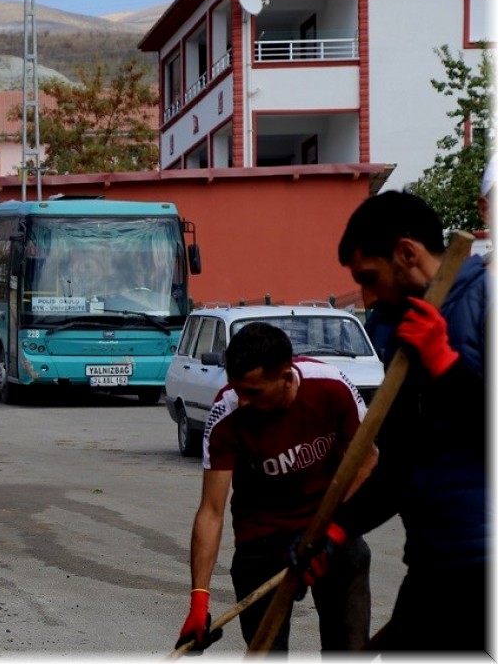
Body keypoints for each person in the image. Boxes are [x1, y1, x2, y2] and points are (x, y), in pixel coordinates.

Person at [297, 190, 488, 651]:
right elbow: (402, 458)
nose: (366, 296)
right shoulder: (402, 330)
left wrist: (444, 361)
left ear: (407, 253)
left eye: (370, 278)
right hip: (434, 562)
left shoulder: (485, 300)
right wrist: (336, 529)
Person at [177, 322, 376, 653]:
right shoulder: (225, 413)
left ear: (286, 379)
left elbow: (367, 461)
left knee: (350, 646)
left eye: (253, 392)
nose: (241, 401)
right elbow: (211, 512)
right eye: (237, 389)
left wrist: (328, 530)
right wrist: (199, 601)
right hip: (262, 537)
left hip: (329, 524)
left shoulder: (331, 387)